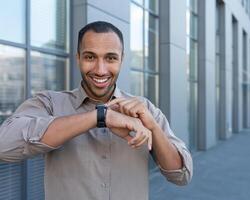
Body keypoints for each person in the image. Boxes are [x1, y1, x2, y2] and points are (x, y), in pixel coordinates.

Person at [0, 21, 193, 200]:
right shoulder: (49, 102)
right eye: (90, 57)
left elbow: (181, 176)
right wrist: (100, 117)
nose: (100, 70)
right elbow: (4, 146)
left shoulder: (145, 109)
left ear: (121, 60)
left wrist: (153, 127)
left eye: (110, 58)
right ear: (78, 58)